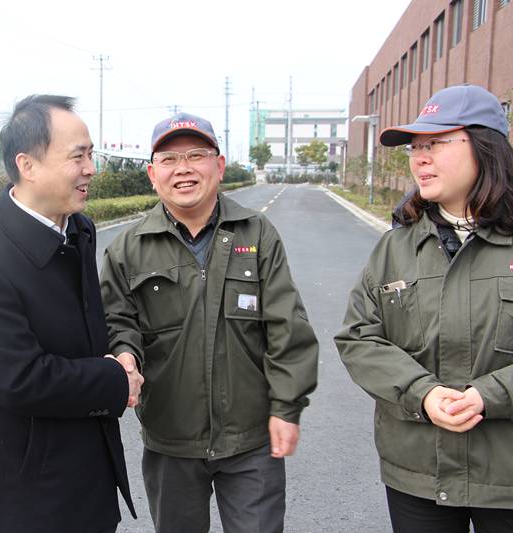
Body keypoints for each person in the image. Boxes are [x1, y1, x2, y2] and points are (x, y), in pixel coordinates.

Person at [100, 112, 319, 533]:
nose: (183, 168)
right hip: (170, 440)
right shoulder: (128, 249)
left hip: (251, 439)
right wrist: (125, 355)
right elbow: (116, 320)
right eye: (169, 159)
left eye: (196, 155)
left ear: (218, 165)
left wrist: (286, 408)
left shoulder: (257, 233)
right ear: (152, 174)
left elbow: (286, 327)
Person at [0, 94, 142, 533]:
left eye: (91, 154)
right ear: (28, 165)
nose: (91, 168)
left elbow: (89, 326)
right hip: (26, 492)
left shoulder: (78, 229)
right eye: (78, 156)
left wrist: (123, 354)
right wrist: (114, 380)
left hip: (89, 471)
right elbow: (18, 378)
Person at [335, 84, 513, 533]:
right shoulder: (396, 247)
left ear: (486, 147)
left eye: (435, 143)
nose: (419, 159)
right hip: (418, 474)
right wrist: (424, 393)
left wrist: (490, 395)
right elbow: (359, 338)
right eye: (415, 147)